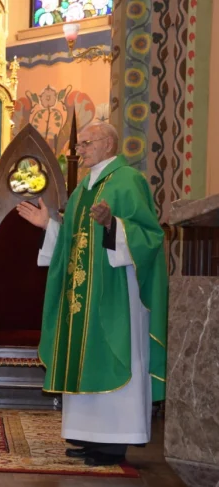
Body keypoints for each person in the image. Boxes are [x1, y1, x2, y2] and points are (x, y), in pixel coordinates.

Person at [17, 122, 167, 466]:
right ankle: (89, 436)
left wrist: (114, 225)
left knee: (113, 355)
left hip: (115, 292)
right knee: (82, 358)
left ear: (109, 144)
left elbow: (149, 236)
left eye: (86, 143)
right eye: (79, 144)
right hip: (81, 296)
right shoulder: (83, 188)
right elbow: (74, 243)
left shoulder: (128, 181)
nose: (79, 150)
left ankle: (114, 443)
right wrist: (48, 226)